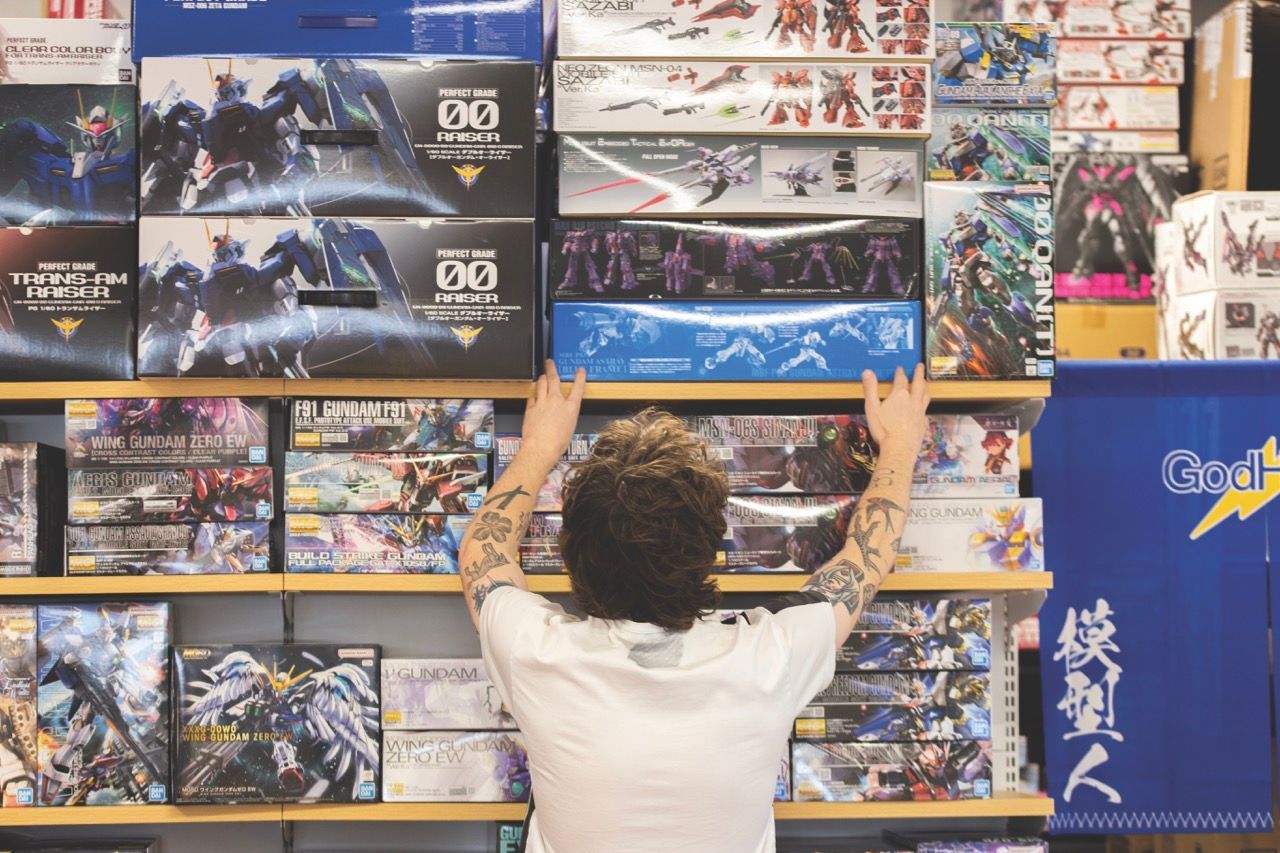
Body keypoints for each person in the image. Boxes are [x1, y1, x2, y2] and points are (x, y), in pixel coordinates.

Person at [459, 360, 931, 853]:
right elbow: (868, 556)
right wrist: (899, 445)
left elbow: (480, 553)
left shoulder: (533, 651)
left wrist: (538, 446)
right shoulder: (774, 657)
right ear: (710, 552)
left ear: (570, 553)